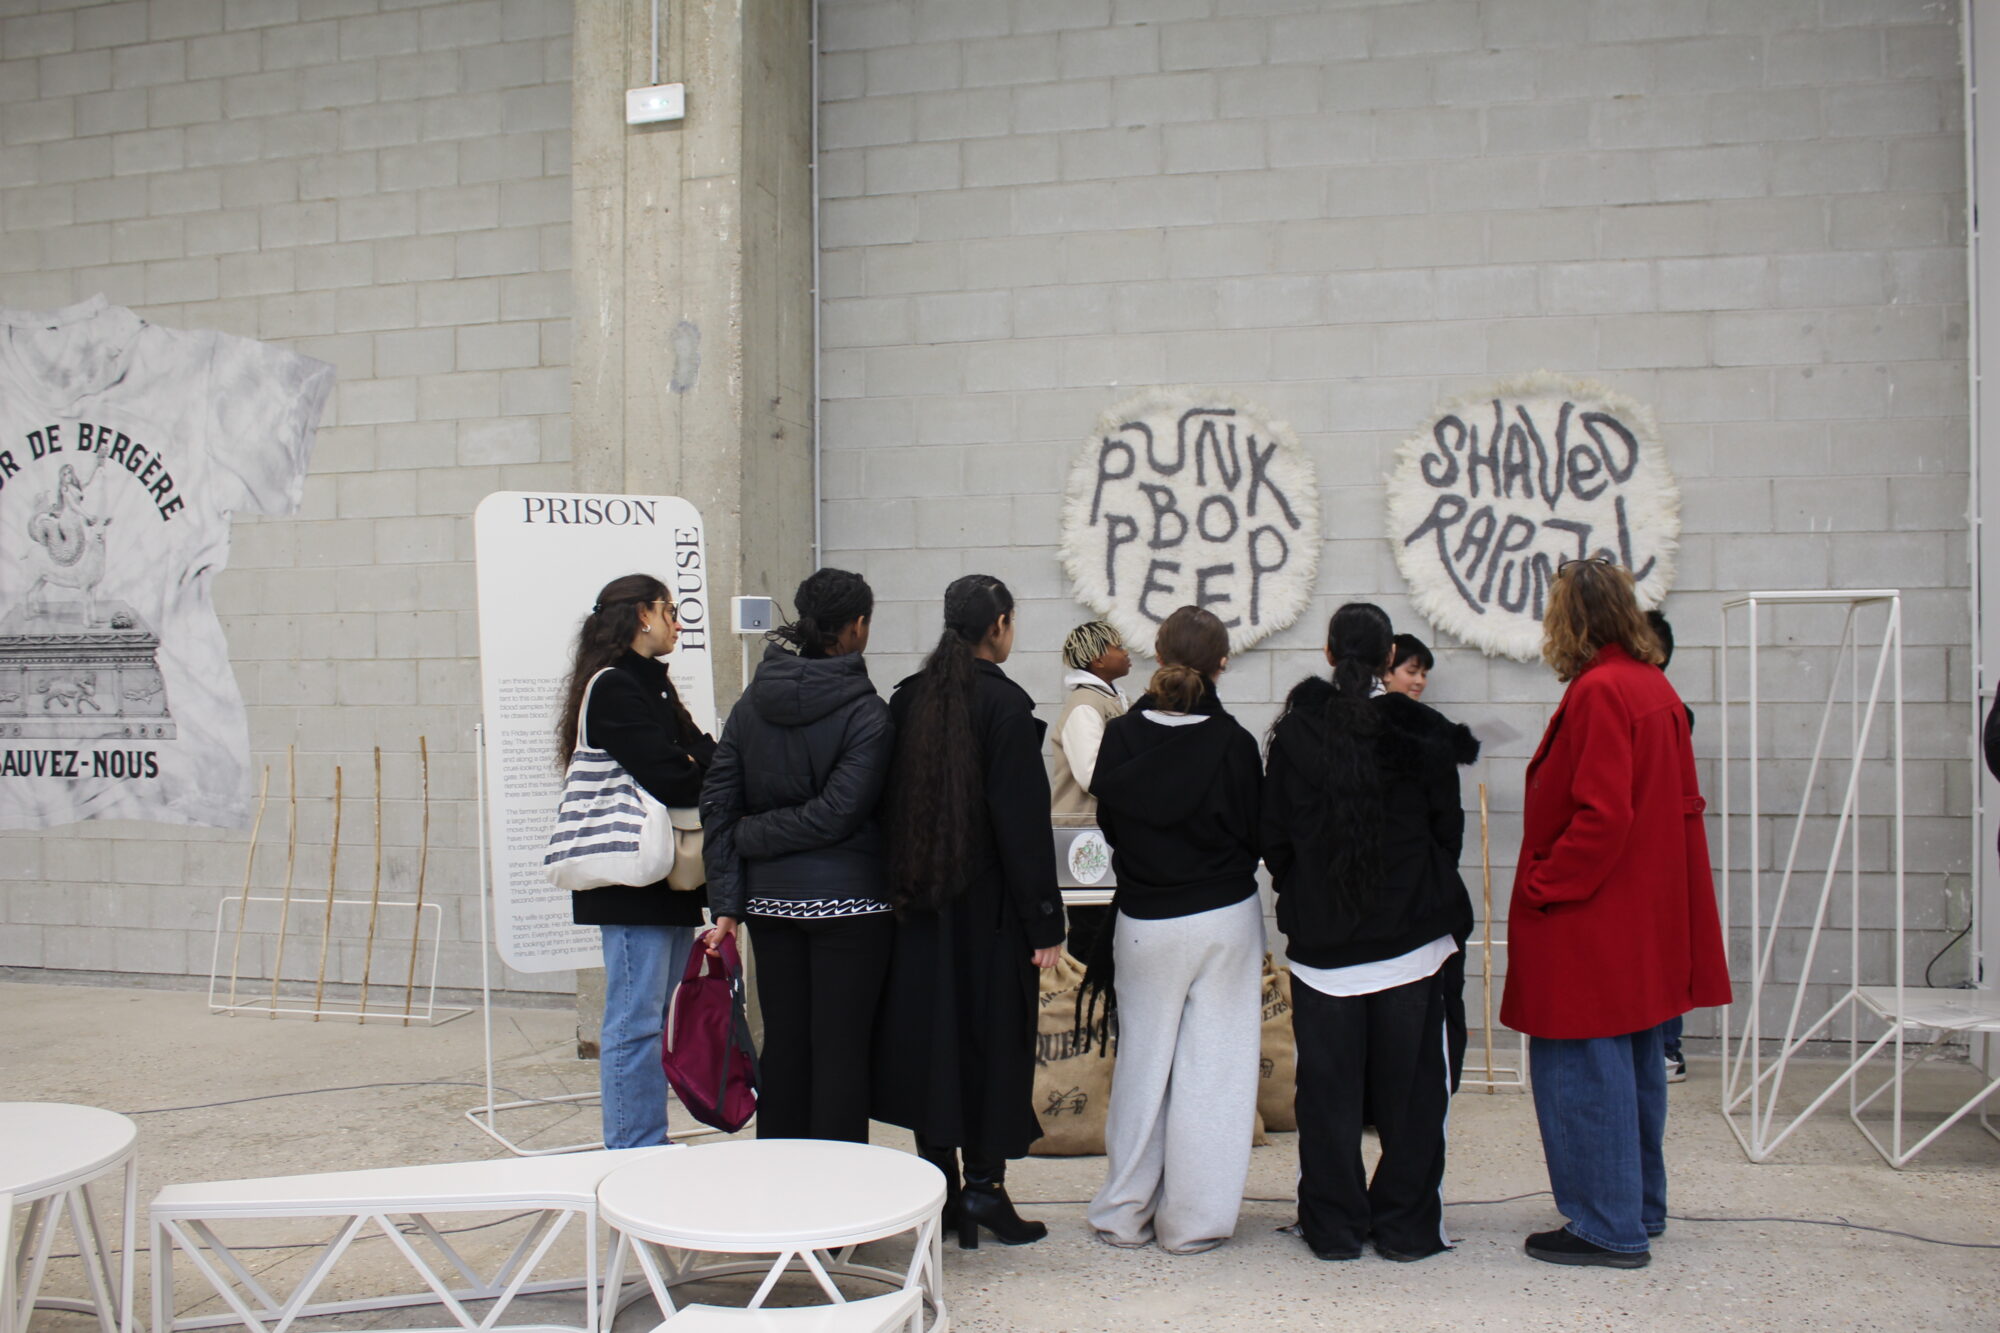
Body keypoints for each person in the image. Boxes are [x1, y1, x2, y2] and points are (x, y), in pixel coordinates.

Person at [1502, 558, 1730, 1269]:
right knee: (1633, 1066)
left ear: (1570, 616)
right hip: (1636, 912)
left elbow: (1601, 816)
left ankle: (1606, 1222)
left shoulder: (1601, 691)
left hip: (1589, 914)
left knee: (1580, 1068)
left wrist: (1546, 882)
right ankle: (1638, 1204)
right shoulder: (1650, 684)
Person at [1263, 603, 1475, 1263]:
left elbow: (1276, 839)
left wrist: (1315, 895)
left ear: (1329, 652)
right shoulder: (1424, 728)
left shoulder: (1297, 732)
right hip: (1414, 943)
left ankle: (1333, 1229)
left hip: (1325, 952)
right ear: (1391, 659)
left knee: (1325, 1096)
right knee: (1412, 1097)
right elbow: (1448, 832)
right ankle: (1407, 1227)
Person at [873, 574, 1065, 1249]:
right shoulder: (1007, 710)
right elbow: (1022, 827)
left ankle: (944, 1191)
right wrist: (1046, 922)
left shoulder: (909, 700)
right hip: (989, 917)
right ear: (1000, 626)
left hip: (920, 908)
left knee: (935, 1046)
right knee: (991, 1043)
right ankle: (986, 1188)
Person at [1082, 605, 1263, 1255]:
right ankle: (1193, 1222)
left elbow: (1109, 822)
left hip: (1145, 919)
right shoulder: (1235, 743)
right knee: (1213, 1071)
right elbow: (1258, 834)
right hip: (1224, 918)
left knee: (1142, 1064)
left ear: (1157, 657)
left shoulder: (1124, 738)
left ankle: (1123, 1213)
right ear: (1221, 664)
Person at [699, 569, 893, 1143]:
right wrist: (748, 839)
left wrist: (729, 900)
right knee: (841, 1053)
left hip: (770, 904)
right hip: (853, 907)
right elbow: (837, 812)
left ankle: (780, 1199)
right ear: (857, 627)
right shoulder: (870, 715)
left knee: (783, 1045)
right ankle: (837, 1219)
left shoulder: (749, 705)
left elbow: (718, 803)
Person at [556, 573, 716, 1150]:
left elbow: (706, 756)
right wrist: (691, 758)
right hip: (632, 877)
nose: (678, 622)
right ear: (642, 616)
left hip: (665, 877)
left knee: (654, 1019)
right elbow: (674, 773)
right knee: (635, 1020)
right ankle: (634, 1146)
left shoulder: (654, 685)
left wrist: (691, 757)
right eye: (670, 611)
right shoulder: (615, 686)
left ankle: (647, 1139)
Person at [1049, 619, 1130, 962]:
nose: (1127, 654)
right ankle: (1086, 1011)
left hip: (1101, 834)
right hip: (1084, 837)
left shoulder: (1108, 699)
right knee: (1091, 933)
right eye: (1118, 647)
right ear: (1097, 659)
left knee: (1108, 932)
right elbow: (1092, 775)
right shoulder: (1085, 705)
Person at [1646, 608, 1689, 1085]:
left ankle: (1667, 1048)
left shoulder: (1667, 708)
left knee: (1661, 951)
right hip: (1654, 847)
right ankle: (1660, 1047)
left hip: (1657, 851)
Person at [1383, 633, 1433, 701]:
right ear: (1386, 672)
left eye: (1424, 675)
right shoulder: (1367, 709)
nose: (1420, 681)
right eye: (1411, 672)